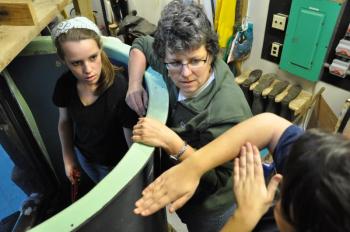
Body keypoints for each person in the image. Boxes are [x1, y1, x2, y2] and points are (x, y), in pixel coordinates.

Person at [128, 1, 252, 231]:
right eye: (175, 63)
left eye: (196, 61)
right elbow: (140, 44)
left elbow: (217, 181)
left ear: (211, 53)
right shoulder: (172, 55)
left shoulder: (228, 113)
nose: (185, 74)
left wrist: (171, 142)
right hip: (182, 193)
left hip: (211, 207)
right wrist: (134, 84)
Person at [133, 113, 350, 232]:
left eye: (284, 195)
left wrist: (242, 218)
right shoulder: (324, 166)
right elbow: (270, 125)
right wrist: (194, 166)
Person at [51, 17, 138, 185]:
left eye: (93, 57)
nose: (88, 70)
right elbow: (64, 122)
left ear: (100, 49)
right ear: (64, 61)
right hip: (84, 157)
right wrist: (68, 158)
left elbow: (131, 143)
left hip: (115, 164)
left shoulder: (119, 88)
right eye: (76, 63)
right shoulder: (65, 84)